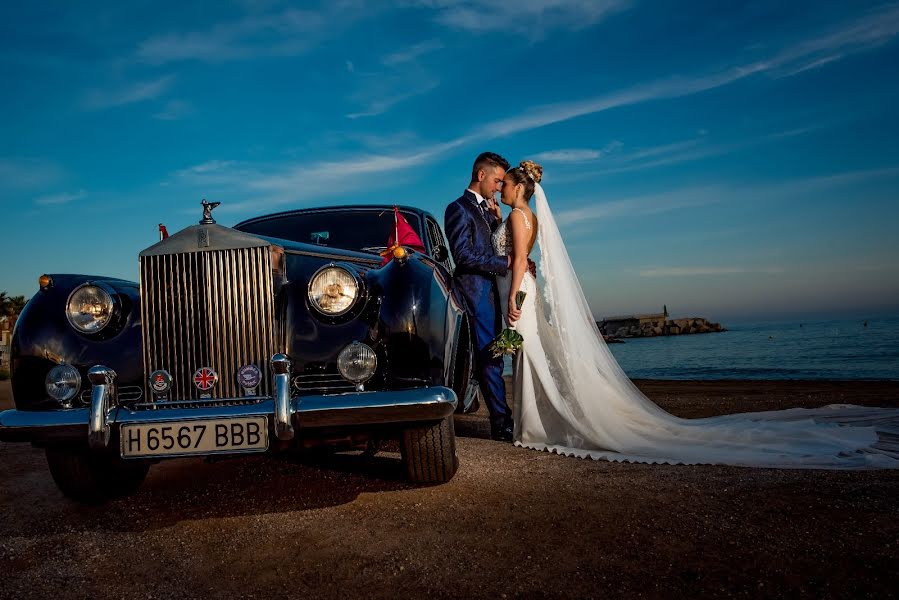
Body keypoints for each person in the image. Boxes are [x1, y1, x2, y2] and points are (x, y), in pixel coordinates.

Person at [495, 160, 898, 469]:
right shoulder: (528, 217)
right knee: (532, 354)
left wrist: (513, 296)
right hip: (532, 289)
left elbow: (517, 263)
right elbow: (527, 259)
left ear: (519, 187)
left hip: (523, 290)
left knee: (529, 355)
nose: (503, 191)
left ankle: (531, 427)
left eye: (507, 185)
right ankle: (533, 423)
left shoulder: (516, 215)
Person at [445, 152, 520, 441]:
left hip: (495, 294)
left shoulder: (490, 211)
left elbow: (498, 246)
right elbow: (463, 256)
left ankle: (504, 420)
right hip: (475, 295)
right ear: (481, 175)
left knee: (496, 358)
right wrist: (506, 264)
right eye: (498, 180)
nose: (500, 187)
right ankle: (502, 425)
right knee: (491, 359)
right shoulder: (458, 209)